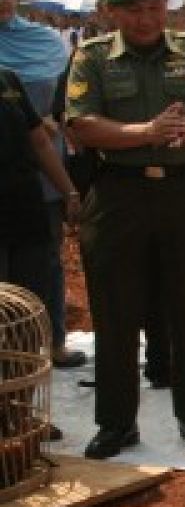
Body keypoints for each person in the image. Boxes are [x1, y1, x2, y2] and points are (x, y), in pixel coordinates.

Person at [66, 0, 185, 459]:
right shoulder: (92, 57)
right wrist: (146, 133)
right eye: (134, 9)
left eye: (155, 5)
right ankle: (117, 424)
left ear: (166, 3)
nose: (146, 18)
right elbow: (80, 124)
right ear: (113, 12)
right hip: (118, 195)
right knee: (115, 310)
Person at [0, 0, 83, 370]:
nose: (0, 1)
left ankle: (53, 342)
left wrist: (53, 119)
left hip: (43, 168)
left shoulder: (45, 41)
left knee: (45, 259)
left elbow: (67, 99)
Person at [0, 64, 80, 326]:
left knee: (29, 300)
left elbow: (40, 141)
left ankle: (25, 363)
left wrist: (68, 191)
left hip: (24, 208)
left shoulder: (8, 78)